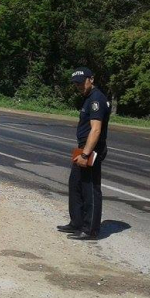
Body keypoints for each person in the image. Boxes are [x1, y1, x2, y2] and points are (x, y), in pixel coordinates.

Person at [57, 67, 110, 240]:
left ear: (91, 79)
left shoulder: (96, 99)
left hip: (91, 149)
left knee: (90, 188)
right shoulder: (87, 98)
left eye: (81, 82)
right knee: (76, 184)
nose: (79, 86)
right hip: (83, 147)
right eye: (76, 84)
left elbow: (96, 130)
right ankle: (77, 222)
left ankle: (90, 230)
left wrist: (86, 154)